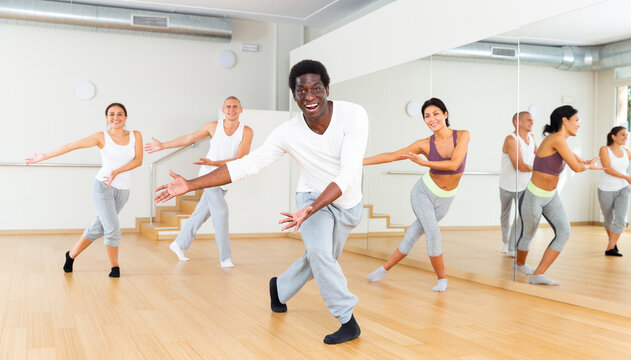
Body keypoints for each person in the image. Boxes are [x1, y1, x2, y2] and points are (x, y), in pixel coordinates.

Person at [154, 60, 368, 345]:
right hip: (311, 196)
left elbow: (349, 173)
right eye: (301, 91)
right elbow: (247, 165)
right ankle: (347, 320)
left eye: (316, 88)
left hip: (346, 202)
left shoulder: (353, 115)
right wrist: (191, 184)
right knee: (320, 254)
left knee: (321, 257)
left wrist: (313, 208)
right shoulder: (287, 132)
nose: (309, 96)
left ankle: (278, 289)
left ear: (327, 89)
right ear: (294, 95)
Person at [26, 103, 143, 277]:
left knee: (98, 228)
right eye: (111, 114)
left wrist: (117, 171)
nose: (116, 118)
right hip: (103, 187)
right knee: (112, 228)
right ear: (106, 117)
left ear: (126, 117)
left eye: (120, 114)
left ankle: (71, 255)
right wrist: (45, 156)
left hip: (123, 190)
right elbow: (72, 145)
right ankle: (115, 267)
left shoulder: (136, 135)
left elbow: (138, 160)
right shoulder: (101, 137)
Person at [365, 98, 470, 292]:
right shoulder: (424, 144)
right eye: (427, 116)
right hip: (423, 194)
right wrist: (358, 162)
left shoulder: (463, 135)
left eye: (436, 114)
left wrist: (424, 163)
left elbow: (454, 164)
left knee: (413, 235)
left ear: (445, 114)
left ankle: (383, 269)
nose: (432, 119)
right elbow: (392, 155)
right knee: (434, 234)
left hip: (446, 200)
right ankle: (442, 280)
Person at [144, 96, 253, 267]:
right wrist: (163, 145)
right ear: (223, 110)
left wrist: (214, 163)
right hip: (207, 176)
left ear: (241, 110)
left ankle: (179, 243)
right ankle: (225, 258)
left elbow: (241, 158)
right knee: (221, 213)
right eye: (228, 106)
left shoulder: (247, 131)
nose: (231, 109)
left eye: (235, 106)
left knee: (200, 214)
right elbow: (189, 138)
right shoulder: (213, 126)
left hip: (225, 177)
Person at [514, 105, 600, 285]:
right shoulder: (556, 139)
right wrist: (587, 166)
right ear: (565, 120)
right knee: (528, 234)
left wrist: (587, 162)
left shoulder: (562, 141)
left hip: (551, 196)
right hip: (534, 196)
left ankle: (538, 274)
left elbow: (577, 160)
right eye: (576, 120)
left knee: (564, 232)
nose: (578, 124)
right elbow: (576, 168)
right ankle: (520, 264)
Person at [499, 112, 537, 257]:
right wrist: (539, 168)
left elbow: (540, 156)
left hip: (524, 186)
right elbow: (519, 166)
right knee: (505, 215)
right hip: (506, 186)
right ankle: (505, 242)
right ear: (517, 122)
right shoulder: (511, 139)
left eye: (532, 120)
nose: (532, 122)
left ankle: (512, 246)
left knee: (522, 215)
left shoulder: (532, 138)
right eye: (528, 120)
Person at [597, 126, 631, 257]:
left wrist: (626, 180)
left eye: (626, 135)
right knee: (608, 219)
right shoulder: (604, 150)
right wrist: (626, 177)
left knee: (621, 219)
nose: (625, 137)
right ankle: (612, 242)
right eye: (622, 134)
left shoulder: (626, 151)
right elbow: (607, 169)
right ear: (613, 136)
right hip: (606, 189)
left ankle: (610, 248)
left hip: (623, 188)